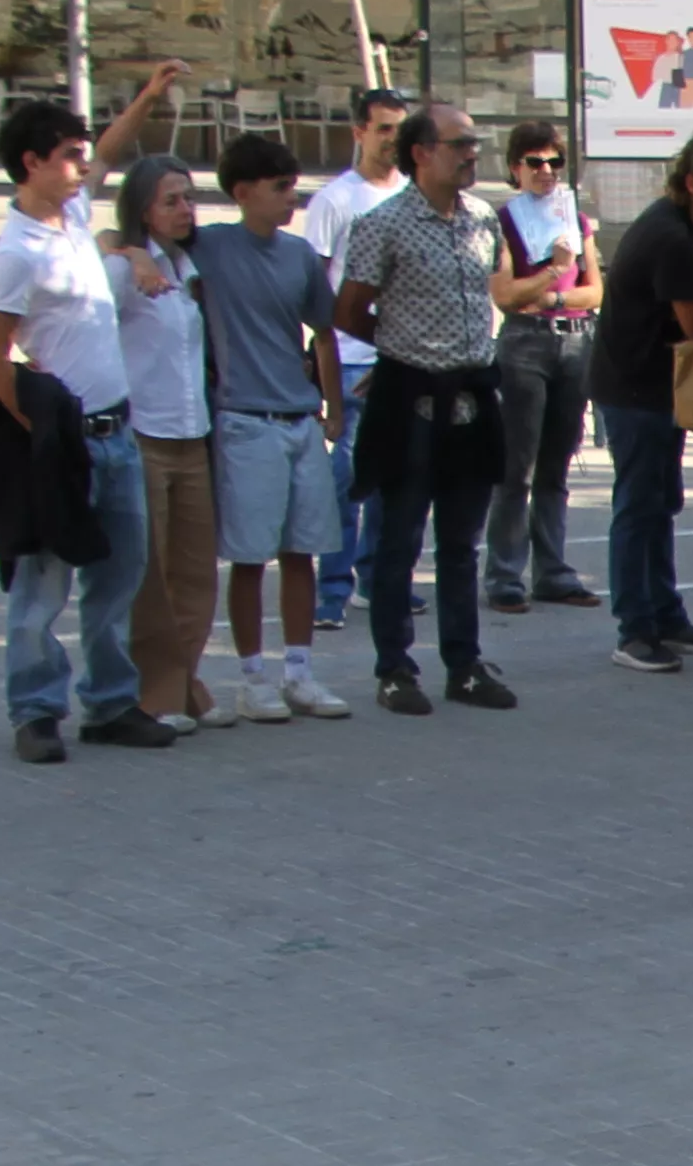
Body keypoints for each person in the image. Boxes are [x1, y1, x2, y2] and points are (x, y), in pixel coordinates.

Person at [0, 100, 174, 761]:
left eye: (79, 152)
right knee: (43, 583)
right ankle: (35, 710)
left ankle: (111, 704)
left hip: (118, 430)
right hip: (66, 440)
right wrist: (37, 429)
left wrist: (146, 98)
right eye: (68, 154)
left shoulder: (74, 217)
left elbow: (111, 150)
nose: (82, 164)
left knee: (120, 572)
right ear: (31, 163)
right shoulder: (15, 253)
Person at [335, 102, 539, 714]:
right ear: (421, 152)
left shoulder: (482, 219)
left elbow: (494, 293)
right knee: (399, 540)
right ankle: (395, 668)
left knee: (461, 542)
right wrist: (401, 351)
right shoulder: (384, 223)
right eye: (459, 143)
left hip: (473, 398)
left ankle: (464, 663)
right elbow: (348, 311)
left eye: (475, 142)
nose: (472, 152)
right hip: (413, 399)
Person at [185, 135, 349, 720]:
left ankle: (299, 671)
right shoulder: (208, 246)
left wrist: (333, 407)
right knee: (251, 555)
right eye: (280, 189)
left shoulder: (301, 256)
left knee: (302, 549)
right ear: (242, 192)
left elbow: (324, 333)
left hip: (299, 417)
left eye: (294, 187)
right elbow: (135, 240)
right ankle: (252, 676)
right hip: (243, 420)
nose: (291, 200)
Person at [592, 128, 693, 667]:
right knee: (639, 505)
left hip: (657, 384)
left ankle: (665, 614)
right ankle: (635, 628)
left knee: (660, 502)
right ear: (692, 181)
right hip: (633, 386)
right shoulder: (672, 236)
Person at [102, 159, 220, 730]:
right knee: (151, 574)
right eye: (170, 200)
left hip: (192, 434)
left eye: (189, 198)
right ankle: (155, 695)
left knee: (195, 574)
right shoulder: (126, 270)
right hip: (143, 433)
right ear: (142, 208)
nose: (184, 210)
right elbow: (89, 259)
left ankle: (184, 681)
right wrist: (127, 252)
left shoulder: (186, 263)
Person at [479, 120, 601, 614]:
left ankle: (552, 569)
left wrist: (551, 295)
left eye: (554, 162)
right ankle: (505, 573)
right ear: (515, 168)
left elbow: (595, 291)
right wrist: (552, 269)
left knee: (556, 463)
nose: (546, 171)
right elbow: (506, 295)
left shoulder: (577, 219)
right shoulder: (503, 222)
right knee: (517, 467)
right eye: (535, 162)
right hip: (526, 345)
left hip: (574, 339)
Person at [302, 82, 405, 631]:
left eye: (399, 129)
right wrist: (320, 363)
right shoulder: (335, 201)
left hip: (402, 359)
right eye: (383, 128)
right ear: (359, 132)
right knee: (344, 480)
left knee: (394, 482)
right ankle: (332, 588)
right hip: (349, 358)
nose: (392, 140)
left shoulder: (412, 194)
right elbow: (317, 289)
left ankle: (379, 580)